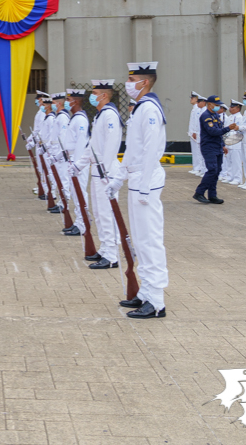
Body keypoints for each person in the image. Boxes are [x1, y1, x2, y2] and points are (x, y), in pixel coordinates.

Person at [106, 62, 168, 318]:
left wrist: (143, 188)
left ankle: (156, 301)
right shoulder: (140, 109)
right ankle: (145, 292)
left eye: (132, 79)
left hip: (146, 183)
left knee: (150, 240)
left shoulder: (150, 109)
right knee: (139, 242)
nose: (128, 83)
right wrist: (118, 178)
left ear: (144, 82)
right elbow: (131, 151)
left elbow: (152, 149)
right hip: (137, 181)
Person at [72, 80, 123, 269]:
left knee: (107, 213)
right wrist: (79, 165)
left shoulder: (110, 115)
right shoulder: (100, 115)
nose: (91, 96)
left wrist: (106, 170)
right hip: (97, 171)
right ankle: (104, 249)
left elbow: (112, 144)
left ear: (104, 95)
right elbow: (92, 146)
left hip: (105, 172)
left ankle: (112, 255)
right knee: (100, 213)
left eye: (94, 93)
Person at [194, 95, 238, 204]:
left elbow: (218, 132)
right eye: (216, 105)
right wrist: (228, 128)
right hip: (209, 147)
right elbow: (213, 131)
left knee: (217, 171)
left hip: (217, 146)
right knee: (212, 169)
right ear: (210, 104)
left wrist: (223, 145)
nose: (218, 107)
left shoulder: (215, 115)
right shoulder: (206, 116)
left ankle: (212, 195)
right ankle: (199, 192)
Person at [61, 89, 90, 237]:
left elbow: (81, 142)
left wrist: (77, 164)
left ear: (76, 101)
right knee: (75, 192)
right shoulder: (75, 118)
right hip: (73, 160)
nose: (66, 102)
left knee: (80, 193)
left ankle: (83, 223)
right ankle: (79, 221)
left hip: (79, 161)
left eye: (68, 99)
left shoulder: (80, 119)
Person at [221, 100, 243, 186]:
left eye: (232, 107)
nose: (230, 109)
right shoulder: (230, 117)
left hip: (235, 141)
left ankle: (237, 178)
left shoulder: (239, 117)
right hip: (228, 141)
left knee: (236, 161)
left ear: (238, 108)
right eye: (230, 107)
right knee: (229, 160)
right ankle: (230, 176)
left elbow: (238, 130)